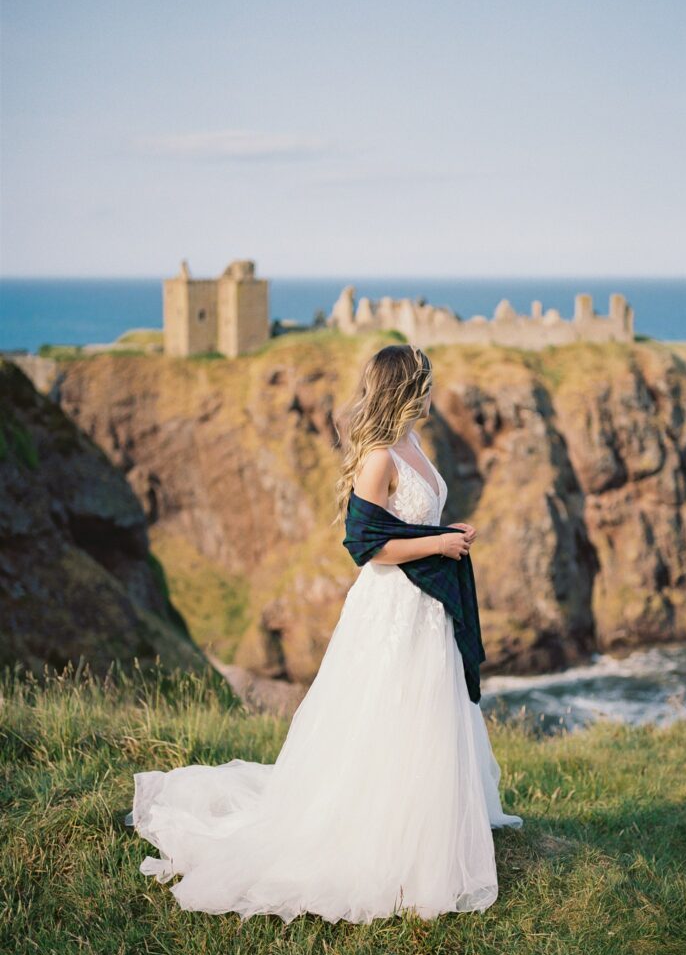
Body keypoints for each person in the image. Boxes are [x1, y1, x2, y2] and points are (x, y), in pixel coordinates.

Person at [128, 343, 523, 925]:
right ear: (407, 386)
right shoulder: (379, 457)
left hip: (426, 608)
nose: (433, 389)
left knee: (425, 717)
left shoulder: (414, 442)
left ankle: (424, 828)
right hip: (391, 609)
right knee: (383, 716)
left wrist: (445, 531)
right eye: (425, 380)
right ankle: (377, 841)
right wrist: (439, 545)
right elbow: (366, 546)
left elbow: (409, 521)